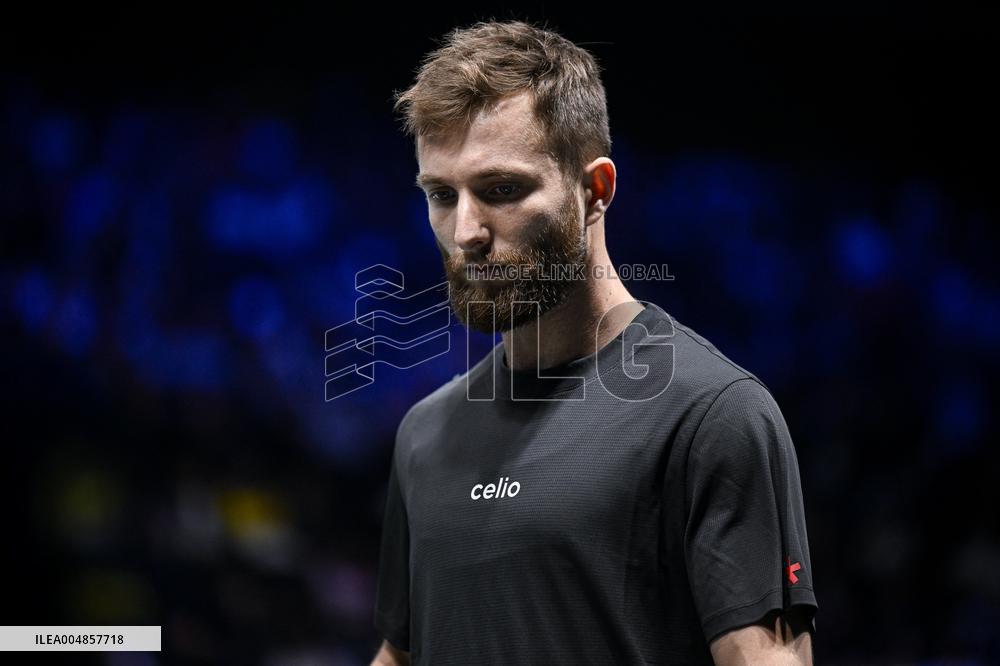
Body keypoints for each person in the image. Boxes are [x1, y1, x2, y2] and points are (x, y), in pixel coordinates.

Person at [371, 19, 818, 666]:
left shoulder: (710, 415)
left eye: (501, 190)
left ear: (595, 189)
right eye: (442, 195)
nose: (465, 231)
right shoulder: (424, 436)